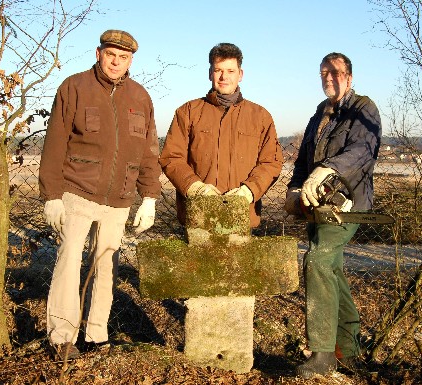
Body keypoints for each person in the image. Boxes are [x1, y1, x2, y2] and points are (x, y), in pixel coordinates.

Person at [39, 29, 161, 359]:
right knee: (69, 262)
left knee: (106, 265)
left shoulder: (140, 97)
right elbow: (54, 144)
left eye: (123, 58)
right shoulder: (74, 87)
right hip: (77, 191)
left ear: (130, 61)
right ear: (98, 54)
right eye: (111, 55)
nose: (116, 62)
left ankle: (96, 334)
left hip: (119, 199)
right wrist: (51, 194)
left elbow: (149, 150)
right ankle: (63, 337)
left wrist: (149, 196)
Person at [285, 52, 381, 378]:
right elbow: (302, 161)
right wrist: (294, 188)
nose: (329, 77)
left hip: (348, 205)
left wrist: (327, 169)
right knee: (332, 269)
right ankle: (349, 350)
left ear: (349, 77)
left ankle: (322, 352)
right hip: (318, 206)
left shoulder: (363, 110)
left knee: (319, 261)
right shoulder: (319, 115)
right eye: (324, 72)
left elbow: (361, 152)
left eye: (336, 72)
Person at [159, 43, 283, 228]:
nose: (224, 76)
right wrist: (194, 187)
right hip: (198, 216)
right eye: (218, 70)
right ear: (210, 73)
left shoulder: (260, 116)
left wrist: (249, 190)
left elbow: (271, 162)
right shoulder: (188, 112)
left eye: (230, 71)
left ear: (240, 74)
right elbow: (172, 157)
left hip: (242, 216)